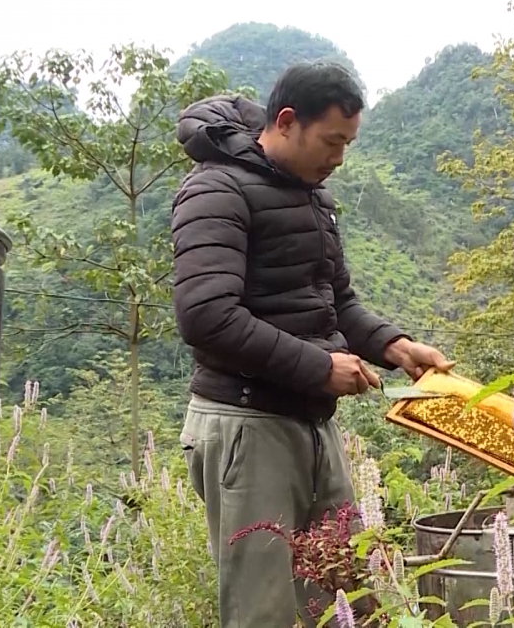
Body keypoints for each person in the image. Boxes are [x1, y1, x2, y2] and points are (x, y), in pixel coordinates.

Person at [170, 61, 454, 627]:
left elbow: (336, 303)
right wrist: (319, 367)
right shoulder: (216, 188)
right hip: (247, 426)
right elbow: (207, 316)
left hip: (309, 422)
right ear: (286, 121)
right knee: (265, 610)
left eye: (348, 143)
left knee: (345, 596)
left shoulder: (311, 196)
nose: (339, 158)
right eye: (331, 141)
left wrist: (397, 347)